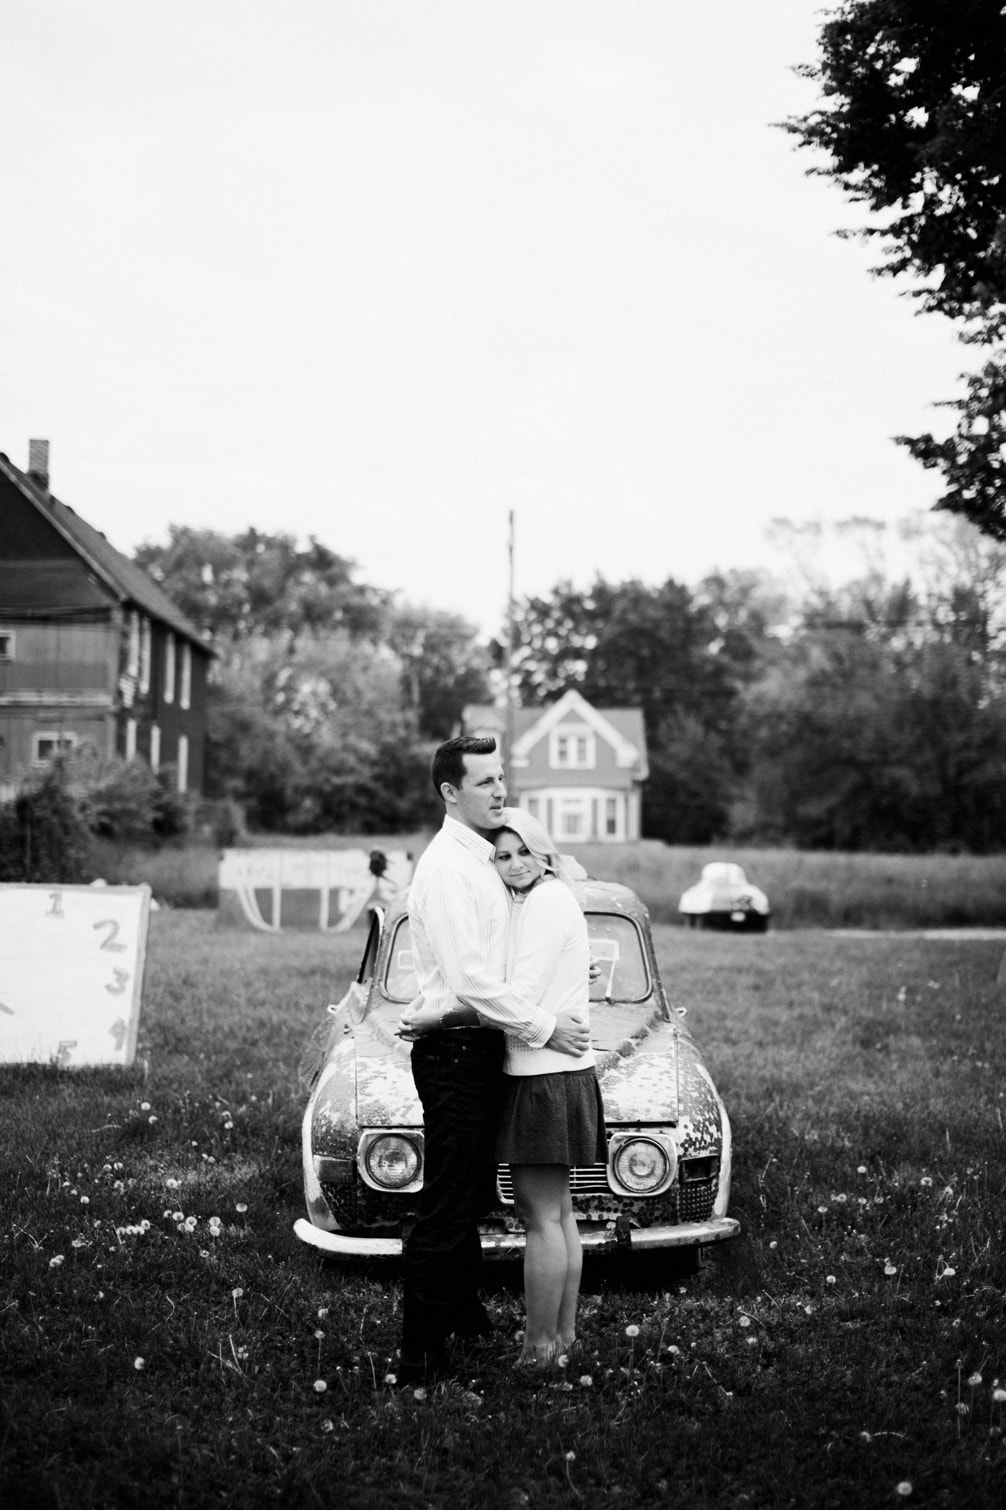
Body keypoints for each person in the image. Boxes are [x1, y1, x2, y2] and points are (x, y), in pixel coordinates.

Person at [398, 737, 590, 1384]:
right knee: (448, 1202)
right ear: (451, 793)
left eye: (501, 778)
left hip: (482, 1046)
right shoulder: (448, 868)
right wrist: (543, 1024)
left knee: (473, 1192)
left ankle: (464, 1314)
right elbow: (472, 979)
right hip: (456, 1053)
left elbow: (532, 921)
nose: (499, 790)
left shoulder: (488, 858)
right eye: (484, 782)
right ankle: (421, 1351)